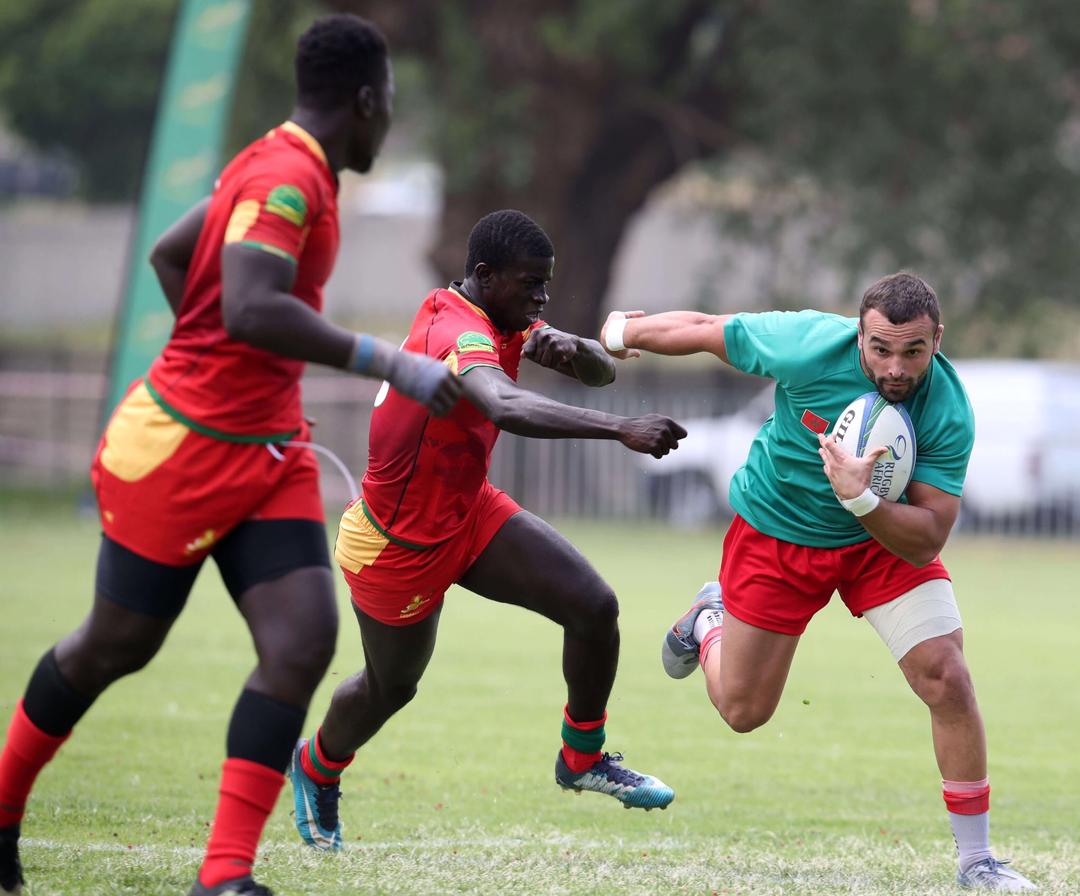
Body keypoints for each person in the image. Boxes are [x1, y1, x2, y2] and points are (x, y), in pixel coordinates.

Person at [0, 15, 462, 896]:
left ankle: (224, 878)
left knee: (301, 641)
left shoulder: (279, 164)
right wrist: (384, 358)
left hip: (266, 452)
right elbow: (250, 307)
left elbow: (176, 256)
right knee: (115, 645)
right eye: (391, 104)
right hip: (180, 450)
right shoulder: (287, 178)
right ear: (365, 102)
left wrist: (234, 370)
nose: (391, 119)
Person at [597, 273, 1037, 893]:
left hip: (881, 543)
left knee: (949, 676)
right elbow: (704, 331)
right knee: (743, 711)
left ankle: (978, 861)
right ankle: (709, 620)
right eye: (880, 349)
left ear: (938, 339)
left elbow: (930, 533)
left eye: (913, 351)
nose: (895, 367)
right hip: (778, 534)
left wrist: (861, 502)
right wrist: (621, 332)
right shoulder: (807, 343)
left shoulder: (947, 406)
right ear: (858, 333)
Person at [287, 209, 687, 850]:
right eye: (532, 284)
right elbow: (503, 403)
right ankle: (316, 767)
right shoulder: (458, 331)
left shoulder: (505, 313)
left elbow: (601, 371)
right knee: (390, 688)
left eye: (546, 285)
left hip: (467, 512)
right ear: (484, 275)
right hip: (399, 544)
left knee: (593, 607)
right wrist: (619, 429)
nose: (542, 297)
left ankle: (582, 757)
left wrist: (576, 349)